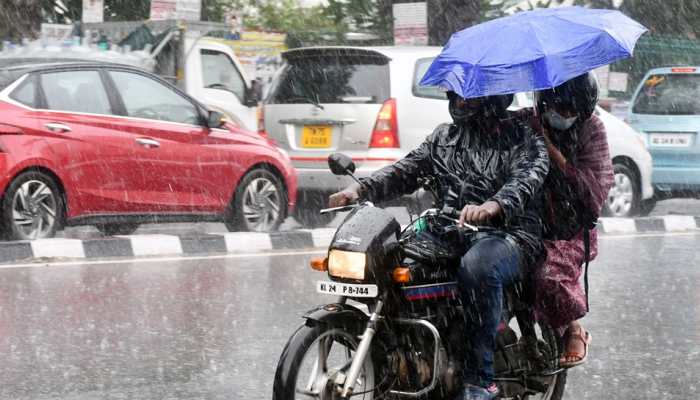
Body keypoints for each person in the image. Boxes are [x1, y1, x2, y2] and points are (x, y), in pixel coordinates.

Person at [329, 91, 549, 400]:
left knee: (478, 268)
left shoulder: (523, 140)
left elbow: (526, 179)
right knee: (389, 262)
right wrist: (360, 189)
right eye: (456, 94)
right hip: (449, 230)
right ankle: (403, 358)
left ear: (495, 98)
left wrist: (494, 205)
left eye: (469, 96)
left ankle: (479, 379)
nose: (460, 101)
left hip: (508, 234)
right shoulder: (443, 138)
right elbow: (405, 170)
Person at [526, 72, 614, 368]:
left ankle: (575, 328)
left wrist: (552, 152)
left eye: (571, 111)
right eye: (558, 108)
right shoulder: (527, 122)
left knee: (548, 274)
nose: (563, 116)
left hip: (571, 230)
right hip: (525, 225)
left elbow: (592, 193)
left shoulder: (593, 132)